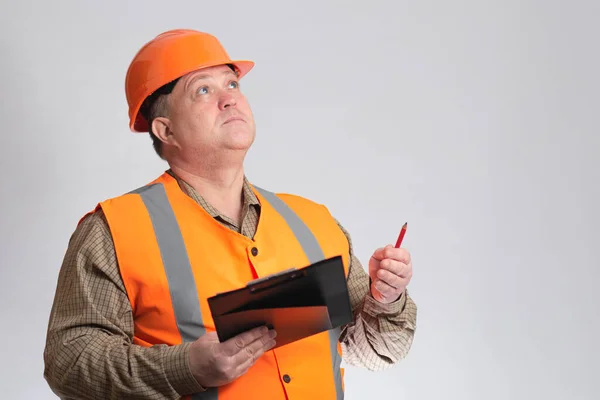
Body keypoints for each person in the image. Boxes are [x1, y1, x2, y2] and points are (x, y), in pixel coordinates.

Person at [43, 29, 417, 400]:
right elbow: (69, 364)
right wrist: (187, 367)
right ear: (166, 129)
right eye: (203, 90)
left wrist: (385, 300)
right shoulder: (114, 231)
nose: (229, 100)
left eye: (233, 84)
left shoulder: (314, 223)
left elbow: (374, 351)